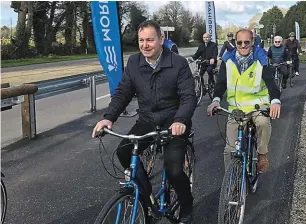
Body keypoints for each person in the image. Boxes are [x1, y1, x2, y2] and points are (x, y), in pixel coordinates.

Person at [91, 20, 196, 224]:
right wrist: (108, 118)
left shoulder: (178, 64)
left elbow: (188, 97)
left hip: (173, 122)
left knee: (174, 171)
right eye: (141, 40)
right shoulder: (134, 62)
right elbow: (123, 93)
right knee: (123, 152)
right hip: (147, 120)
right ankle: (146, 198)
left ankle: (187, 204)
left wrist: (181, 120)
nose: (145, 45)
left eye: (150, 40)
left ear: (161, 40)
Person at [207, 28, 281, 173]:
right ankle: (231, 186)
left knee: (263, 122)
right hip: (236, 109)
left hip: (258, 105)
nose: (243, 46)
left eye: (247, 42)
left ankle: (262, 153)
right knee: (229, 150)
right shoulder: (228, 60)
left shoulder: (261, 58)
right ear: (235, 42)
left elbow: (271, 82)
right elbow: (220, 84)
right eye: (239, 42)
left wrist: (275, 101)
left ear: (252, 42)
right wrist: (215, 100)